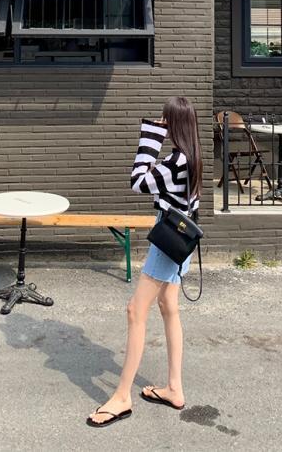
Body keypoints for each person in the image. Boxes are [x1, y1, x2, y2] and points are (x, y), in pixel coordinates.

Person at [87, 96, 203, 428]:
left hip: (168, 239)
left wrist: (150, 136)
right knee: (168, 306)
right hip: (183, 238)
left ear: (173, 123)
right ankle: (174, 388)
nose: (162, 123)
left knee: (135, 311)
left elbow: (137, 181)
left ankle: (122, 397)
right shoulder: (192, 156)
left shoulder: (175, 161)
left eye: (165, 119)